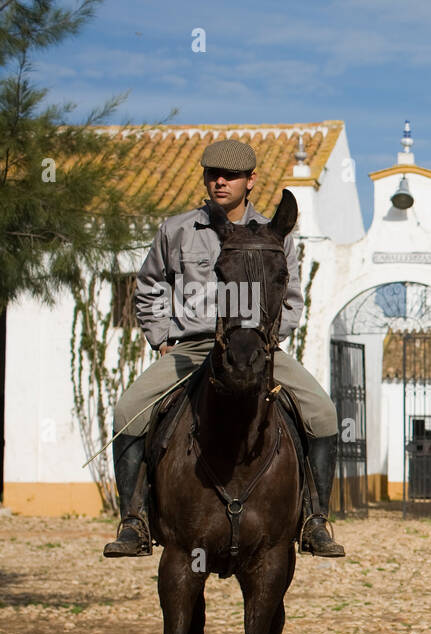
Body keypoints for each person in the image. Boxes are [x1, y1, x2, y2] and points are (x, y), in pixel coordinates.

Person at [103, 139, 345, 558]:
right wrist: (161, 335)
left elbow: (289, 299)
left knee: (323, 414)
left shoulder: (274, 232)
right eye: (212, 173)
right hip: (193, 347)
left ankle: (314, 519)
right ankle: (134, 521)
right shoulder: (176, 229)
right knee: (128, 411)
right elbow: (150, 287)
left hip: (257, 350)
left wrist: (267, 342)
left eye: (230, 175)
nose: (220, 181)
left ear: (250, 180)